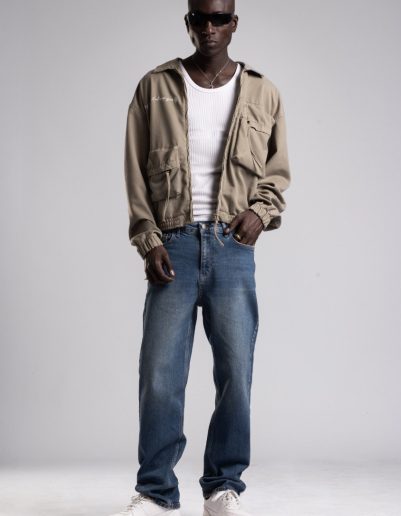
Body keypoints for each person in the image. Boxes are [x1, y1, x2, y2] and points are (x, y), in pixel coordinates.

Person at [111, 0, 290, 514]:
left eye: (219, 19)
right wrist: (148, 239)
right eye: (200, 19)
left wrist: (260, 212)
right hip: (172, 244)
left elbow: (277, 170)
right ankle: (155, 491)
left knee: (236, 372)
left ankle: (222, 487)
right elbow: (134, 171)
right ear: (188, 23)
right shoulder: (154, 88)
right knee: (159, 374)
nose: (209, 28)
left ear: (234, 23)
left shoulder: (263, 91)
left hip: (233, 248)